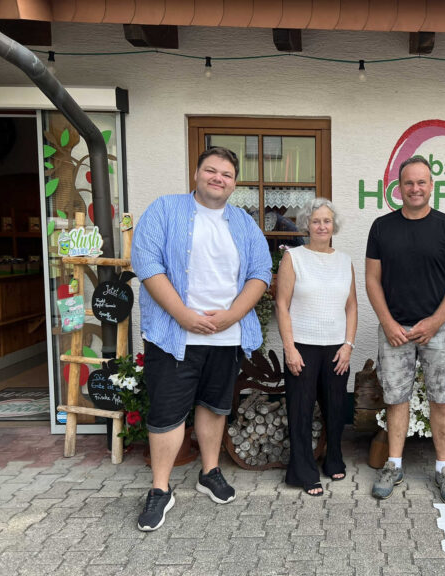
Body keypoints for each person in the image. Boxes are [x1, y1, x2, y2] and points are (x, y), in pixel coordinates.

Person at [132, 147, 272, 531]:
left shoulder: (244, 223)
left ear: (234, 182)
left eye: (226, 174)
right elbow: (146, 263)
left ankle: (209, 472)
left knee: (214, 406)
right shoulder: (164, 209)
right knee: (166, 413)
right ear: (196, 174)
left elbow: (261, 272)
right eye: (211, 171)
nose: (218, 178)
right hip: (175, 335)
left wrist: (233, 315)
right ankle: (160, 489)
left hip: (226, 337)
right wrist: (184, 316)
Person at [365, 155, 445, 504]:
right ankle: (393, 465)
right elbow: (372, 279)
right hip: (395, 329)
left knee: (441, 400)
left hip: (438, 330)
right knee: (396, 398)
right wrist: (388, 323)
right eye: (408, 182)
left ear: (431, 186)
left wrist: (436, 321)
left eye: (421, 182)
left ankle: (443, 468)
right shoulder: (381, 227)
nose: (415, 188)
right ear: (398, 186)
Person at [275, 198, 357, 496]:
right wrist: (289, 348)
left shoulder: (344, 260)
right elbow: (282, 305)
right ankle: (303, 470)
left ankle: (333, 457)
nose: (322, 226)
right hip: (302, 347)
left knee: (335, 408)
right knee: (301, 410)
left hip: (336, 347)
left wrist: (348, 345)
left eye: (326, 221)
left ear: (333, 225)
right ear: (307, 224)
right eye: (316, 221)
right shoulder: (293, 258)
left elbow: (351, 307)